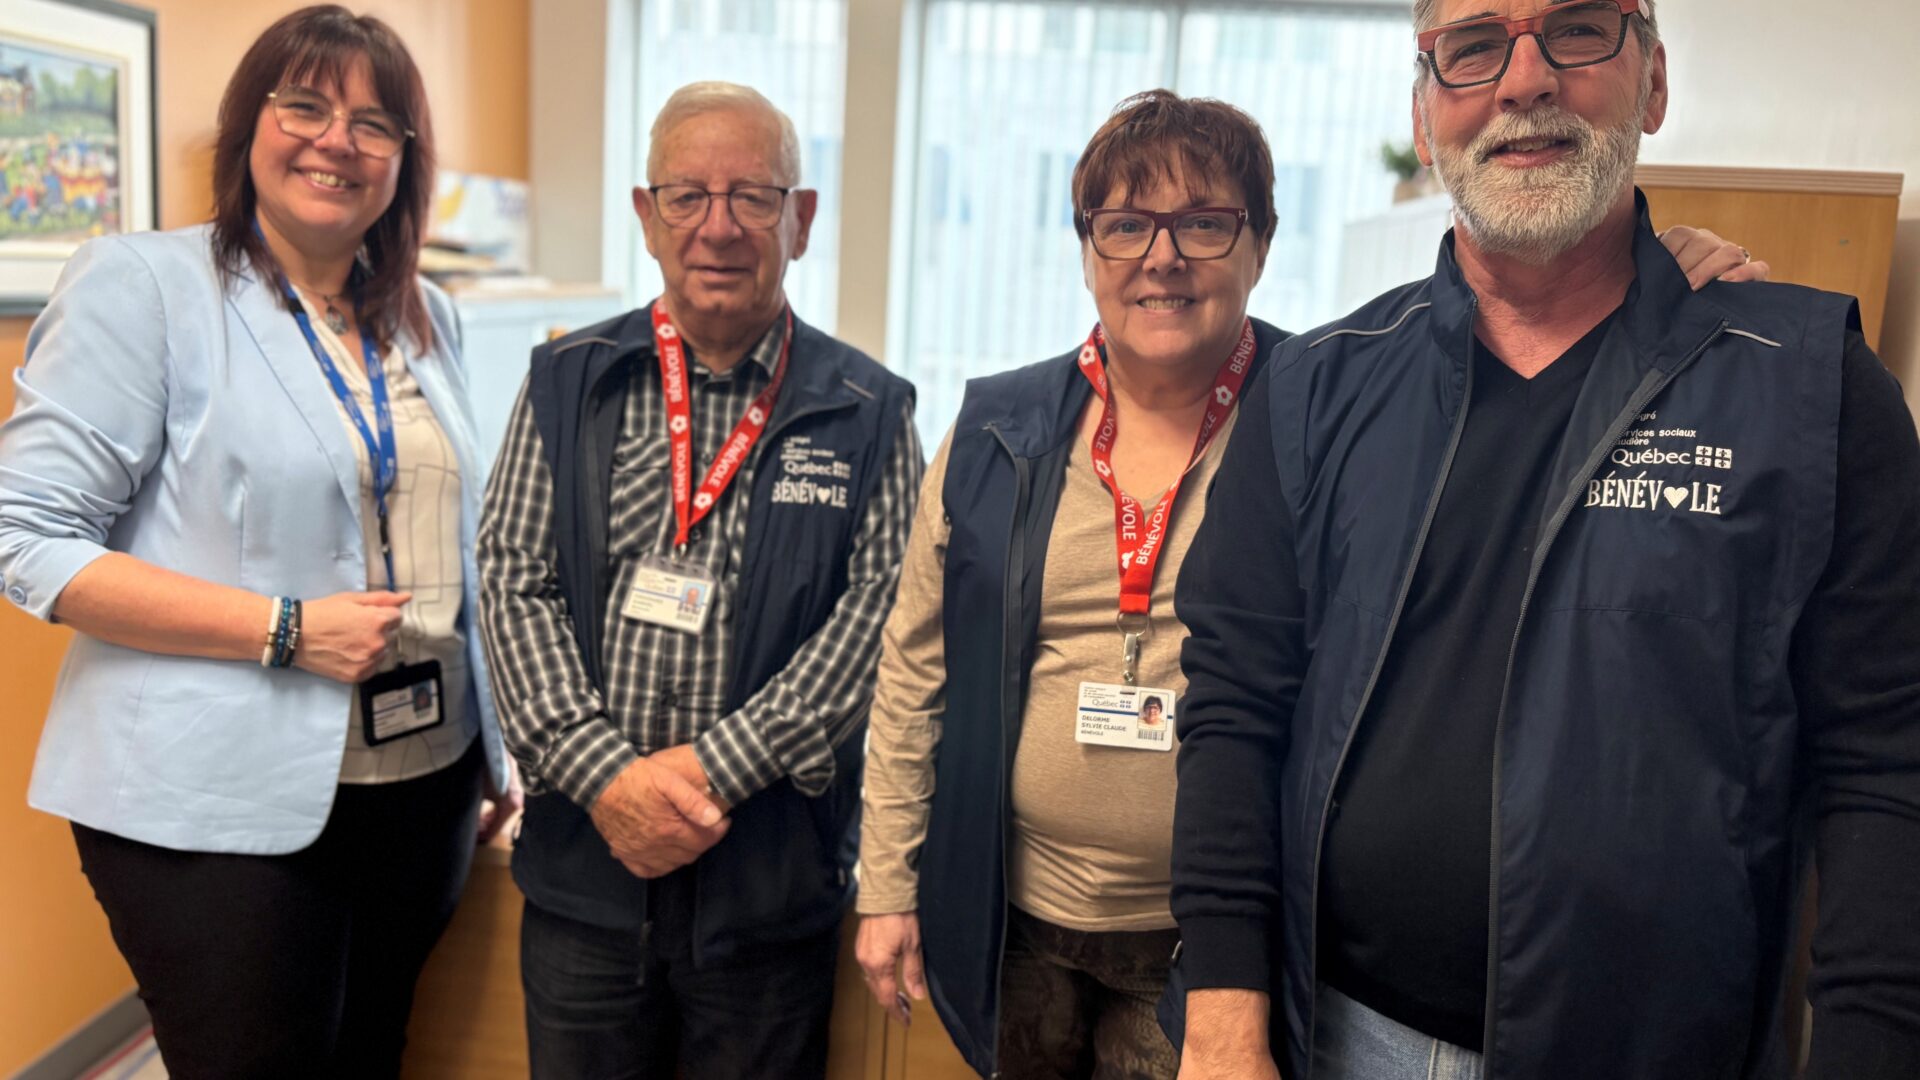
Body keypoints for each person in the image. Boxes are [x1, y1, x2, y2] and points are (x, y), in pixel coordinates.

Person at [853, 88, 1760, 1080]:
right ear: (1087, 248)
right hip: (1017, 912)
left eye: (1205, 222)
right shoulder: (994, 433)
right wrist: (888, 882)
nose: (1162, 257)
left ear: (1263, 244)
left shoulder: (1337, 407)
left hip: (1220, 941)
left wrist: (1647, 278)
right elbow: (912, 676)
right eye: (1125, 225)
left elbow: (1526, 395)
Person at [1167, 2, 1920, 1078]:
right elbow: (1236, 710)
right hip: (1328, 1037)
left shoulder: (1807, 390)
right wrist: (1226, 1024)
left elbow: (1886, 768)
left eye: (1575, 29)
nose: (1524, 80)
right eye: (1474, 46)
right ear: (1426, 112)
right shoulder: (1312, 389)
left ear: (1652, 81)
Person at [0, 7, 517, 1076]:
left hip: (421, 782)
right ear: (250, 127)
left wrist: (493, 743)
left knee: (372, 1052)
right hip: (209, 804)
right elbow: (25, 532)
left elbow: (458, 549)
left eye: (377, 124)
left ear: (405, 163)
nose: (339, 140)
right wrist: (281, 629)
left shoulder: (431, 317)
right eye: (307, 105)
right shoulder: (145, 287)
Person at [477, 80, 921, 1079]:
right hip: (585, 885)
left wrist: (713, 768)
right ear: (646, 215)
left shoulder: (870, 412)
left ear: (799, 220)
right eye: (687, 195)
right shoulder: (567, 381)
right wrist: (606, 777)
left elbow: (878, 619)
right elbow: (513, 580)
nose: (717, 226)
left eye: (752, 196)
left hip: (766, 887)